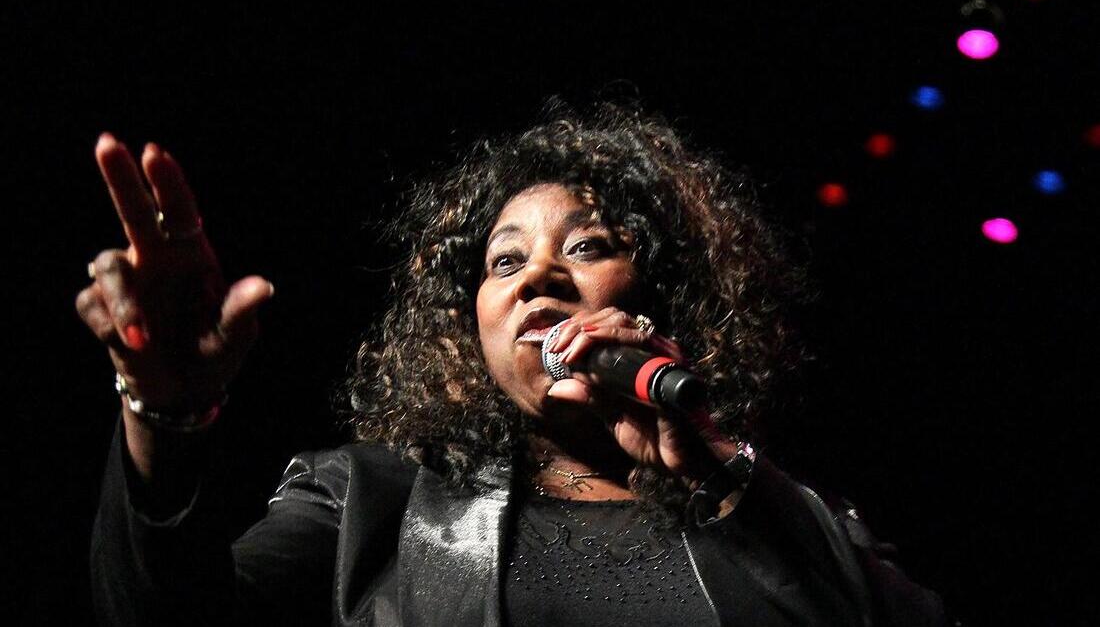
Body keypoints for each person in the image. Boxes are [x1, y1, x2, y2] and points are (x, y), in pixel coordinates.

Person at [80, 102, 947, 626]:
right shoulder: (369, 504)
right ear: (475, 331)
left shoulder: (787, 514)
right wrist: (165, 419)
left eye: (589, 246)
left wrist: (720, 476)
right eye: (504, 262)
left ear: (662, 297)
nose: (537, 275)